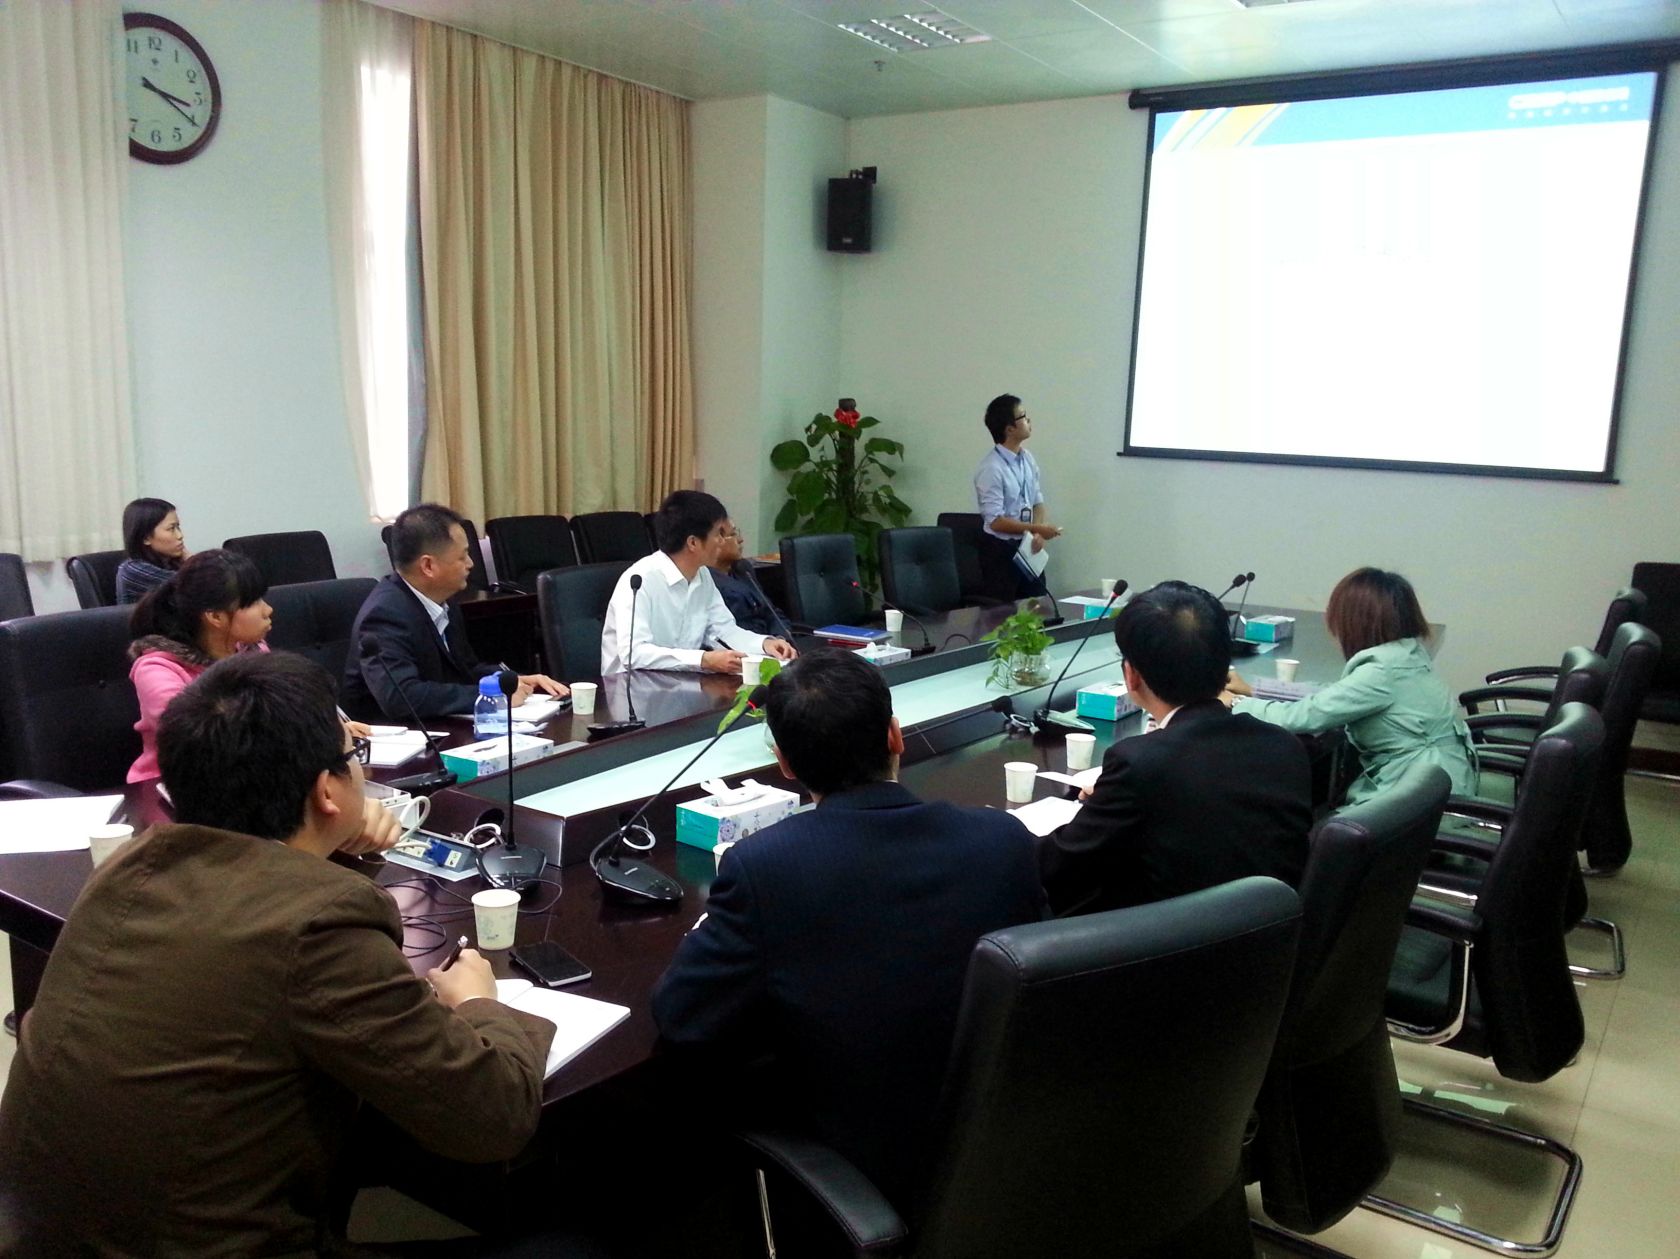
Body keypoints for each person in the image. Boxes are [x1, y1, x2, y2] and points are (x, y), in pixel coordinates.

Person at [0, 652, 554, 1255]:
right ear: (326, 790)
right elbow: (493, 1119)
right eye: (353, 755)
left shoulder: (129, 867)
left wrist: (330, 838)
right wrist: (478, 1004)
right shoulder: (321, 925)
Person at [651, 647, 1045, 1206]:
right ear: (895, 736)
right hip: (1012, 1149)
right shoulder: (1002, 839)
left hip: (871, 1169)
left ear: (785, 764)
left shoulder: (765, 869)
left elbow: (682, 1018)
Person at [1039, 580, 1313, 915]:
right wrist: (1114, 799)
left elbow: (1058, 864)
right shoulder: (1285, 746)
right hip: (1271, 934)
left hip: (1170, 941)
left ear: (1131, 676)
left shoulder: (1140, 764)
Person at [1225, 566, 1478, 804]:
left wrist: (1234, 702)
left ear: (1355, 623)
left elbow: (1303, 716)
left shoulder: (1381, 672)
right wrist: (1255, 691)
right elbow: (1334, 695)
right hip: (1439, 782)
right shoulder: (1407, 655)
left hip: (1417, 799)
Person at [342, 502, 566, 720]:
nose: (470, 564)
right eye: (462, 556)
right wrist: (489, 697)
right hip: (394, 735)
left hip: (441, 725)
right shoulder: (384, 615)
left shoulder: (443, 600)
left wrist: (509, 680)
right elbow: (401, 697)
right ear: (428, 566)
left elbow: (466, 668)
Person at [601, 490, 797, 675]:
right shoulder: (640, 580)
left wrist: (764, 644)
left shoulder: (702, 576)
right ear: (693, 542)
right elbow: (633, 653)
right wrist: (703, 659)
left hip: (680, 681)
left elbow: (723, 631)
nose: (722, 541)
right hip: (629, 688)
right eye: (718, 534)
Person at [127, 548, 273, 783]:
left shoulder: (252, 649)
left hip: (246, 776)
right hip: (173, 784)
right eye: (254, 602)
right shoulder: (156, 669)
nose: (268, 610)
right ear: (215, 617)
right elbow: (197, 739)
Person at [973, 393, 1063, 601]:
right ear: (1009, 429)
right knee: (1003, 614)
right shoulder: (991, 468)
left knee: (1038, 608)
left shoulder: (1027, 458)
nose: (1028, 420)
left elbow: (1037, 502)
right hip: (1000, 551)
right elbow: (996, 521)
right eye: (1022, 416)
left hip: (1027, 545)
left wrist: (1037, 532)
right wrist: (1036, 528)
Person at [707, 518, 791, 639]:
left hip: (773, 642)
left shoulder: (743, 568)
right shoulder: (707, 580)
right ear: (716, 541)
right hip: (744, 644)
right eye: (733, 534)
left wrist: (781, 637)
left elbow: (771, 612)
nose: (740, 539)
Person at [115, 496, 188, 604]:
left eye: (178, 527)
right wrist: (193, 561)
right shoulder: (133, 570)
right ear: (146, 538)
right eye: (171, 529)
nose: (180, 535)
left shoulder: (169, 561)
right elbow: (196, 586)